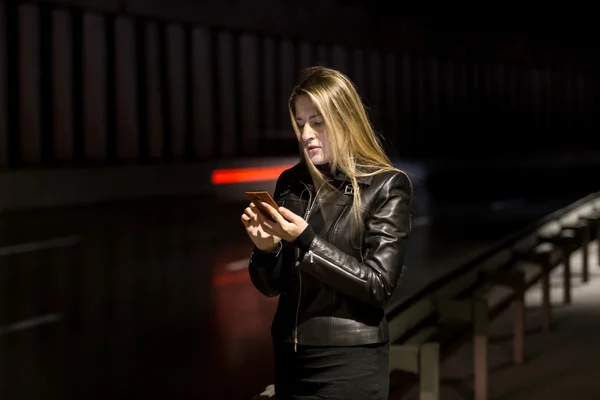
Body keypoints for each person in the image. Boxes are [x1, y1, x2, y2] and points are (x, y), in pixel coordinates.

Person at [241, 66, 413, 400]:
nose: (306, 135)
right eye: (300, 123)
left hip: (350, 364)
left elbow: (378, 286)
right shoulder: (290, 182)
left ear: (345, 119)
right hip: (290, 358)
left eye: (317, 122)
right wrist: (266, 250)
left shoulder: (386, 186)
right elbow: (271, 287)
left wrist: (306, 239)